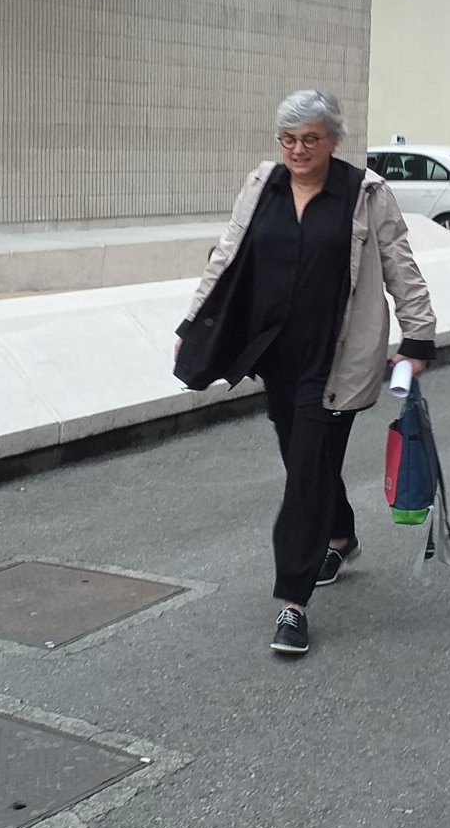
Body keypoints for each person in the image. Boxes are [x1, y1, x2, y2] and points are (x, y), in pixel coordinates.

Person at [174, 90, 436, 658]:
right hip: (274, 353)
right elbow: (225, 256)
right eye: (288, 139)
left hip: (337, 356)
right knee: (304, 459)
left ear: (334, 139)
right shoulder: (262, 185)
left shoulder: (364, 193)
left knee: (305, 473)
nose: (298, 150)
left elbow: (401, 264)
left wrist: (417, 337)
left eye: (311, 139)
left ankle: (293, 602)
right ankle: (339, 534)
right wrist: (193, 321)